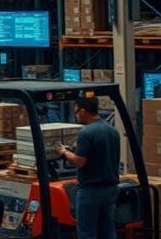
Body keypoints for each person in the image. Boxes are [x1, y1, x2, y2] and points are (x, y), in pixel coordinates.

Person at [57, 97, 120, 239]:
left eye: (76, 111)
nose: (76, 115)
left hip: (91, 190)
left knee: (87, 233)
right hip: (111, 189)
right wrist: (75, 148)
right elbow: (100, 153)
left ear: (83, 111)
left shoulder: (87, 132)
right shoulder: (112, 130)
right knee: (107, 231)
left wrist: (65, 152)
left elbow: (79, 162)